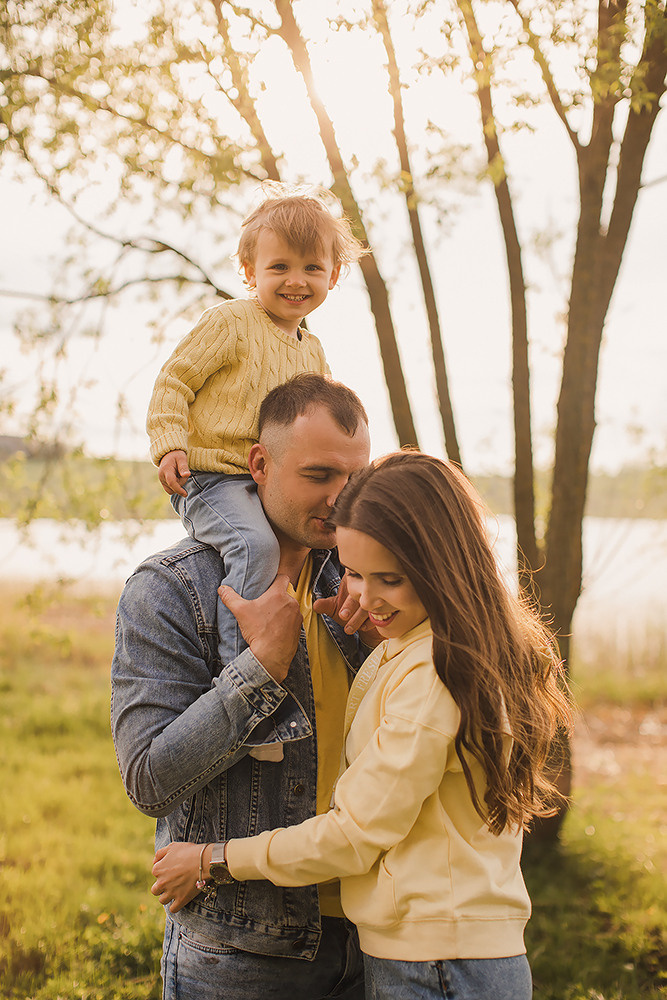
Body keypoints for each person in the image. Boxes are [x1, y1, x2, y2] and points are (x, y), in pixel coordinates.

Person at [150, 451, 573, 1000]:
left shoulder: (434, 674)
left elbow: (353, 836)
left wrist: (214, 858)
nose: (366, 598)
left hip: (437, 967)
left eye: (390, 579)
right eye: (352, 572)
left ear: (440, 566)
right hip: (448, 954)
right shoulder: (442, 648)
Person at [112, 374, 374, 1000]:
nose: (340, 499)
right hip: (243, 951)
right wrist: (260, 668)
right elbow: (149, 779)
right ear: (259, 464)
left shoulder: (371, 583)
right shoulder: (171, 592)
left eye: (353, 479)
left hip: (379, 932)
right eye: (318, 476)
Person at [146, 191, 367, 760]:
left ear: (334, 275)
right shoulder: (229, 323)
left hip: (269, 484)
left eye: (312, 267)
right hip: (215, 478)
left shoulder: (312, 350)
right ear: (249, 271)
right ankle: (244, 681)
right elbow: (175, 382)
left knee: (347, 541)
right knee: (252, 544)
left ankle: (361, 664)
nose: (297, 280)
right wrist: (170, 444)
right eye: (279, 267)